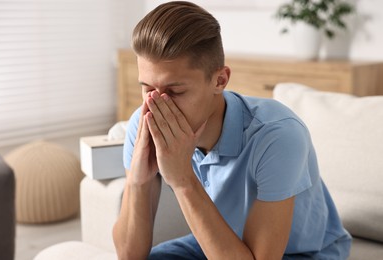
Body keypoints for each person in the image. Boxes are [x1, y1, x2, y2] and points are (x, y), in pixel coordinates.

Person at [112, 1, 352, 259]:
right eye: (148, 89)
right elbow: (129, 255)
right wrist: (138, 181)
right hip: (212, 244)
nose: (157, 105)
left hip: (302, 254)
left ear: (220, 80)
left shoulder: (278, 136)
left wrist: (183, 181)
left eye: (175, 91)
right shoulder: (143, 122)